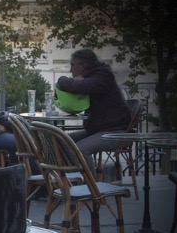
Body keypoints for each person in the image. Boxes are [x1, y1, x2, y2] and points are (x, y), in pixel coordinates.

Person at [55, 48, 131, 176]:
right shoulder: (93, 77)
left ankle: (91, 185)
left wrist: (62, 79)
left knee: (82, 149)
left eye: (73, 65)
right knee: (61, 140)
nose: (70, 70)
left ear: (83, 64)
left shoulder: (102, 76)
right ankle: (70, 179)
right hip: (100, 130)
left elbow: (78, 87)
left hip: (116, 133)